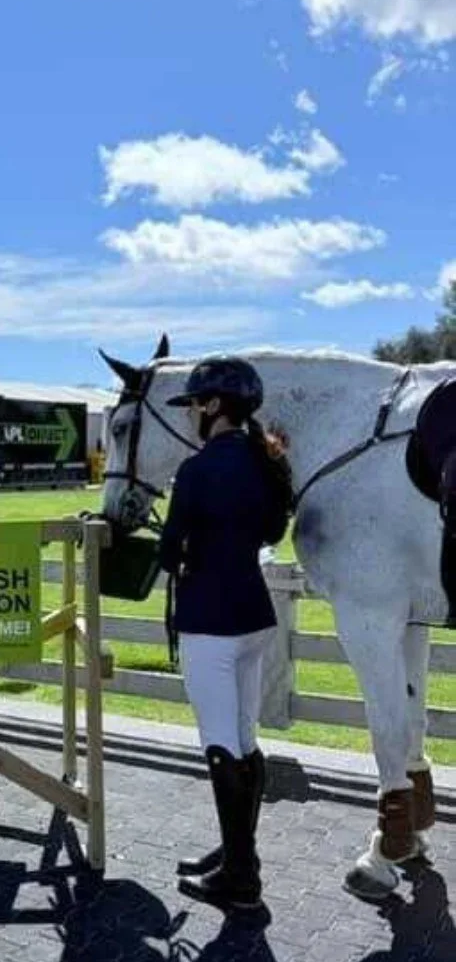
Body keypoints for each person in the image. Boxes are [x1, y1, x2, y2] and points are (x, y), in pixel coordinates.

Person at [158, 357, 293, 911]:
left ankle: (240, 878)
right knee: (245, 742)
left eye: (193, 403)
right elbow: (270, 530)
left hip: (209, 622)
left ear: (212, 405)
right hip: (254, 617)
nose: (191, 412)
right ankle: (240, 855)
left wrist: (186, 547)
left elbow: (169, 551)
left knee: (220, 748)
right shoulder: (267, 465)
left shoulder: (196, 470)